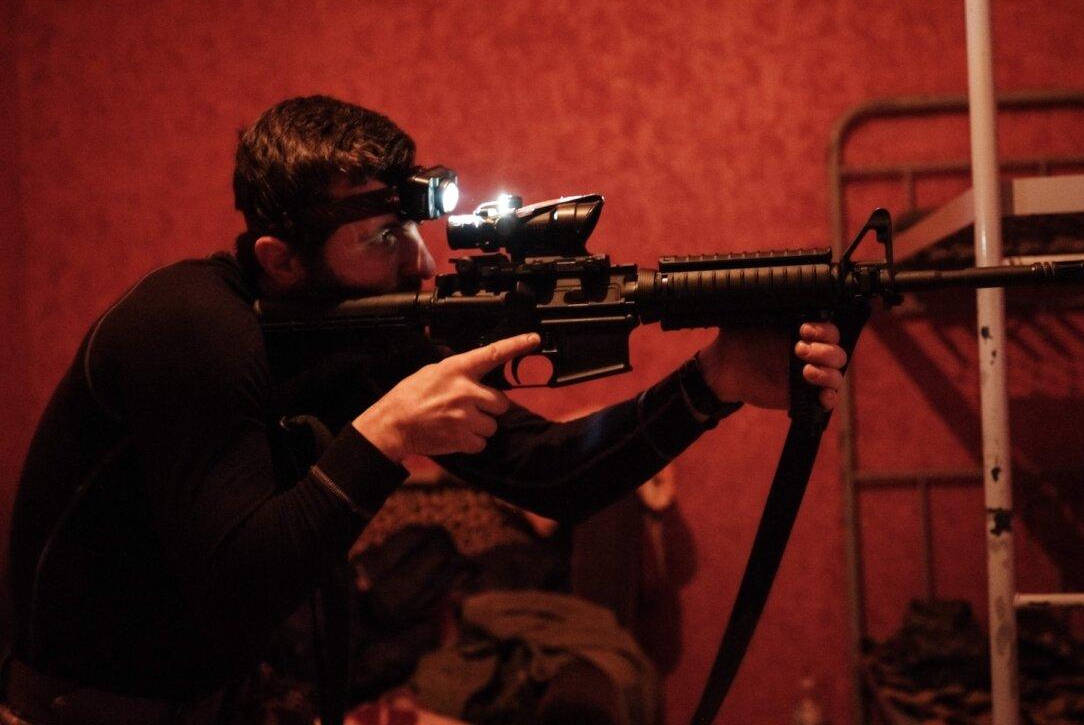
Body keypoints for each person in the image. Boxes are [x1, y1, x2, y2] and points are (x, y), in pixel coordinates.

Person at [5, 96, 849, 725]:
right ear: (280, 259)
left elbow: (549, 473)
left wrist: (715, 381)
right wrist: (386, 433)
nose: (417, 260)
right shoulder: (188, 329)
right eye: (379, 239)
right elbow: (238, 585)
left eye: (412, 227)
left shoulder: (363, 335)